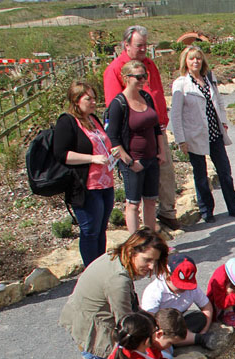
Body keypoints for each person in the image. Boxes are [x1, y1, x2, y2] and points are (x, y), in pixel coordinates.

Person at [60, 228, 169, 359]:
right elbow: (126, 325)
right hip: (94, 331)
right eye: (147, 260)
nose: (151, 266)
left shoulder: (116, 257)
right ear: (132, 252)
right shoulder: (118, 281)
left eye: (155, 261)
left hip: (80, 317)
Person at [104, 25, 179, 231]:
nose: (144, 49)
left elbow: (156, 94)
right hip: (133, 143)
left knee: (162, 179)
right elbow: (114, 118)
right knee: (134, 199)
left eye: (146, 45)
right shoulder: (114, 70)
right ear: (126, 45)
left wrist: (161, 130)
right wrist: (126, 157)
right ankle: (138, 240)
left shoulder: (149, 65)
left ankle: (165, 215)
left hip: (154, 130)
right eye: (139, 45)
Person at [170, 45, 235, 223]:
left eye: (198, 58)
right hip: (194, 134)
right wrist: (181, 140)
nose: (195, 61)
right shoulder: (181, 84)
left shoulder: (209, 78)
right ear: (185, 61)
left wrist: (223, 121)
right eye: (191, 58)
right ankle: (207, 211)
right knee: (200, 174)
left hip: (214, 132)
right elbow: (175, 115)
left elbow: (219, 102)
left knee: (225, 171)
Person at [52, 81, 115, 266]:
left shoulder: (93, 118)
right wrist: (92, 158)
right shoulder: (67, 122)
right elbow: (61, 154)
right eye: (89, 98)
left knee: (102, 228)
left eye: (94, 98)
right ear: (76, 100)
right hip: (86, 185)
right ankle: (91, 271)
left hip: (106, 183)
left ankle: (100, 267)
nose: (94, 102)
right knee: (90, 230)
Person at [106, 60, 166, 234]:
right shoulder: (119, 104)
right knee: (133, 204)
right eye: (138, 77)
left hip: (151, 159)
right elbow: (113, 138)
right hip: (133, 160)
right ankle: (135, 244)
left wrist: (161, 151)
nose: (142, 80)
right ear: (126, 78)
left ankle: (150, 240)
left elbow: (156, 127)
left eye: (144, 76)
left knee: (150, 200)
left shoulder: (146, 97)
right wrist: (130, 162)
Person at [140, 254, 215, 350]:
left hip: (180, 320)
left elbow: (207, 307)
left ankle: (186, 339)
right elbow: (150, 322)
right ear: (168, 276)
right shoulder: (154, 291)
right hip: (162, 327)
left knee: (200, 318)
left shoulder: (192, 289)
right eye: (180, 285)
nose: (184, 289)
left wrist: (204, 331)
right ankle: (196, 339)